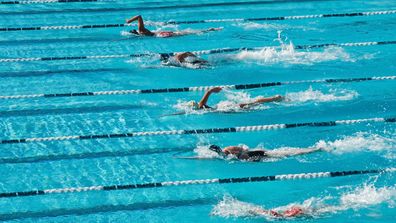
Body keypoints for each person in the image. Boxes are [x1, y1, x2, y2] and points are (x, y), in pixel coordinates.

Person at [126, 15, 222, 38]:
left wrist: (129, 20)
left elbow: (139, 16)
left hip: (162, 35)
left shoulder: (141, 31)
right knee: (187, 32)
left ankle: (210, 30)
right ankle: (209, 30)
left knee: (187, 33)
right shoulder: (142, 32)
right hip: (161, 34)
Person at [190, 87, 283, 110]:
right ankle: (274, 98)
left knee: (254, 102)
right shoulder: (202, 109)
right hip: (228, 109)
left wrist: (209, 92)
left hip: (226, 108)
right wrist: (209, 91)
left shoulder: (203, 109)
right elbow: (201, 104)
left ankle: (274, 98)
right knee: (255, 102)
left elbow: (201, 104)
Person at [208, 144, 322, 161]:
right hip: (258, 156)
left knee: (290, 153)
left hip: (262, 154)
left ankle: (315, 149)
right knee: (289, 152)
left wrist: (244, 154)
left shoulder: (230, 149)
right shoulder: (227, 154)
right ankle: (314, 149)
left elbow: (244, 148)